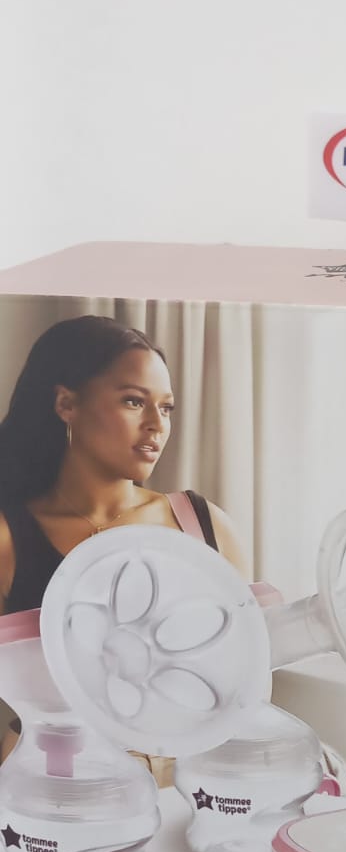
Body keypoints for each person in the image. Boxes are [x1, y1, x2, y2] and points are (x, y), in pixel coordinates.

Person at [0, 315, 248, 773]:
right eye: (134, 401)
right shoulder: (8, 538)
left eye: (166, 408)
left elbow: (246, 680)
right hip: (52, 788)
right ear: (66, 404)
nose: (156, 425)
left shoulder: (203, 526)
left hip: (186, 787)